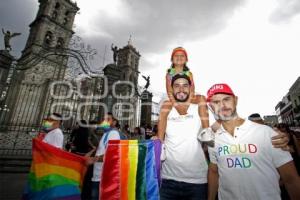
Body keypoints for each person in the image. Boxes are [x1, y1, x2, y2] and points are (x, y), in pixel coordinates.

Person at [206, 83, 300, 200]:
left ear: (235, 100)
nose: (222, 105)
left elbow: (290, 179)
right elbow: (214, 172)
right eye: (216, 102)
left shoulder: (266, 133)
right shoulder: (213, 139)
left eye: (226, 99)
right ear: (210, 107)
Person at [158, 73, 209, 199]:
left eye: (185, 85)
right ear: (172, 89)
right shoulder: (166, 106)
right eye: (177, 86)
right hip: (167, 180)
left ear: (191, 88)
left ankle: (205, 132)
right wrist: (158, 141)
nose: (181, 89)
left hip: (196, 182)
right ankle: (161, 145)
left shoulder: (200, 105)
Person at [165, 47, 209, 129]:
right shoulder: (169, 75)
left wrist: (187, 103)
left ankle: (206, 130)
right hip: (174, 97)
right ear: (172, 59)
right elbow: (169, 91)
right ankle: (160, 136)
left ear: (186, 59)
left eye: (182, 56)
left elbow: (192, 89)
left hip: (188, 96)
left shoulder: (189, 74)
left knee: (202, 98)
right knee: (164, 107)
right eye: (176, 56)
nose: (179, 58)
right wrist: (176, 105)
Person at [87, 112, 121, 200]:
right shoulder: (106, 134)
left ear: (114, 122)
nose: (104, 122)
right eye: (104, 119)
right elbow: (101, 151)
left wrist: (93, 160)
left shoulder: (113, 134)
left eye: (108, 119)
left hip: (103, 178)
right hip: (98, 175)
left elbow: (111, 155)